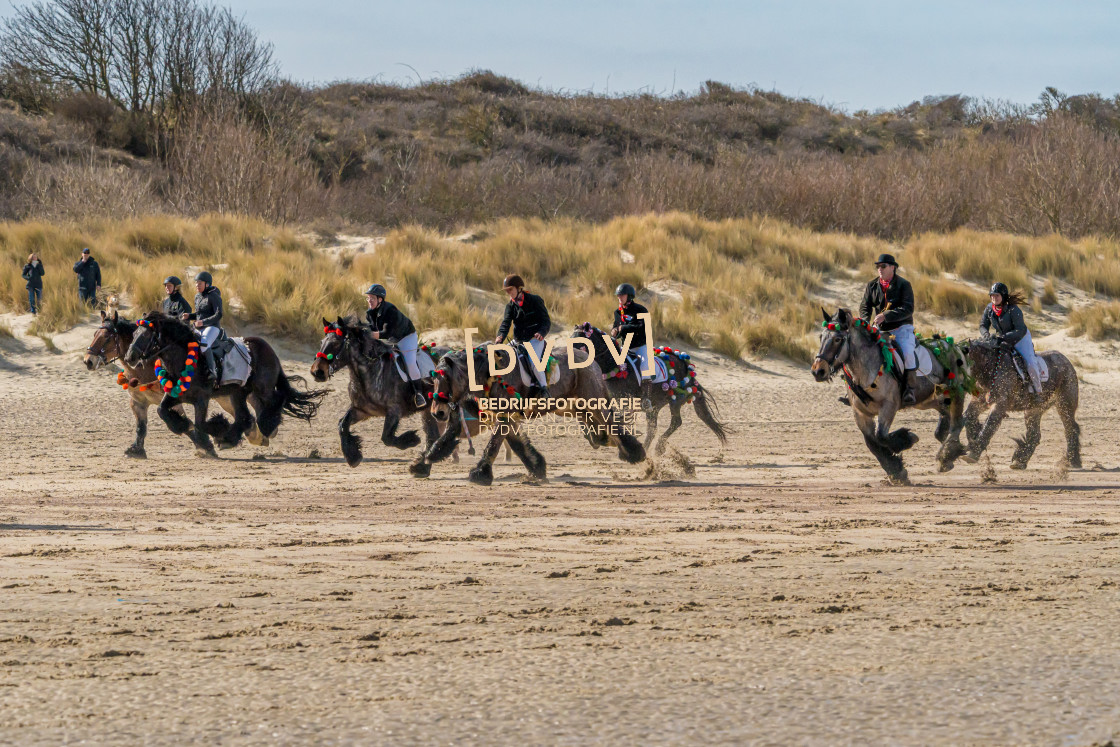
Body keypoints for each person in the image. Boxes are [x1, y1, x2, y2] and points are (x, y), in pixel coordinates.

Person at [860, 253, 917, 404]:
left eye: (883, 266)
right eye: (878, 266)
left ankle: (909, 390)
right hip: (879, 330)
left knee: (907, 353)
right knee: (861, 351)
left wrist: (887, 315)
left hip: (901, 328)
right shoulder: (871, 285)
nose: (880, 269)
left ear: (893, 267)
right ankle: (858, 389)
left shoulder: (904, 285)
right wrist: (865, 322)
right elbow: (865, 306)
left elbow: (908, 308)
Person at [365, 283, 427, 408]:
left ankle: (419, 394)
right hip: (390, 339)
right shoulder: (369, 313)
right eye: (368, 298)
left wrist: (368, 335)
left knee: (409, 362)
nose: (369, 300)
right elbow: (374, 331)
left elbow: (386, 332)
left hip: (406, 337)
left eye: (372, 298)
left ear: (380, 299)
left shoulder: (390, 310)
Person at [980, 282, 1043, 400]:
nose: (994, 298)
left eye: (997, 295)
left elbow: (1020, 330)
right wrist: (986, 335)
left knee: (1030, 363)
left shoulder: (1013, 309)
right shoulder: (989, 308)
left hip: (1020, 338)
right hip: (1002, 338)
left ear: (1003, 296)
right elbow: (983, 325)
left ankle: (1037, 392)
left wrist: (1001, 337)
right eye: (992, 295)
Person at [494, 274, 552, 399]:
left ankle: (543, 389)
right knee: (500, 356)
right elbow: (506, 323)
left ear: (519, 288)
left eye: (510, 289)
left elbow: (546, 320)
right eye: (507, 291)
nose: (509, 293)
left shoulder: (535, 300)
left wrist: (542, 333)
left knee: (535, 363)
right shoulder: (510, 306)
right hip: (518, 340)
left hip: (535, 340)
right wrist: (500, 337)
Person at [612, 282, 653, 411]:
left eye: (622, 295)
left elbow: (642, 327)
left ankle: (646, 399)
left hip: (640, 346)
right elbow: (617, 328)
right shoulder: (618, 312)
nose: (619, 298)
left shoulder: (641, 310)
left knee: (645, 366)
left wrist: (623, 328)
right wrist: (614, 331)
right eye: (618, 295)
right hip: (626, 347)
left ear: (629, 296)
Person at [189, 271, 223, 382]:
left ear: (207, 284)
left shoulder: (214, 296)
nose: (197, 285)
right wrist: (189, 316)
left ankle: (212, 371)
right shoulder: (197, 297)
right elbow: (199, 314)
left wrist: (203, 322)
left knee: (204, 344)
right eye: (196, 283)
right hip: (200, 327)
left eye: (200, 283)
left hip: (212, 327)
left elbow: (219, 314)